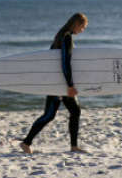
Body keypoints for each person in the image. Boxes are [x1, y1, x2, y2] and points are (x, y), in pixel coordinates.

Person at [20, 13, 88, 154]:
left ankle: (27, 143)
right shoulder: (66, 37)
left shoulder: (61, 35)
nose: (83, 30)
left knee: (56, 114)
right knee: (61, 113)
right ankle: (27, 142)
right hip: (61, 84)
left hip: (57, 82)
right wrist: (69, 85)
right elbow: (64, 62)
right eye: (83, 27)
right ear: (77, 24)